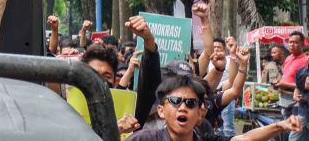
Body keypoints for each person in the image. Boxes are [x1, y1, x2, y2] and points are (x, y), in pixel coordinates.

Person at [126, 74, 303, 141]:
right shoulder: (143, 139)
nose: (182, 108)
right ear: (161, 111)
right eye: (175, 101)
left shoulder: (207, 139)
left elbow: (245, 139)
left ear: (199, 113)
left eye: (190, 103)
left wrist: (280, 125)